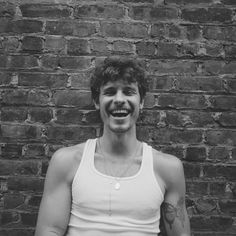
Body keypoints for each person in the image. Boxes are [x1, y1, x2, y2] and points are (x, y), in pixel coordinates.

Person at [34, 57, 191, 236]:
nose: (119, 99)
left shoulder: (168, 168)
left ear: (141, 102)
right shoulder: (67, 161)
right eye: (109, 92)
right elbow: (49, 230)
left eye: (128, 91)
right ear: (96, 101)